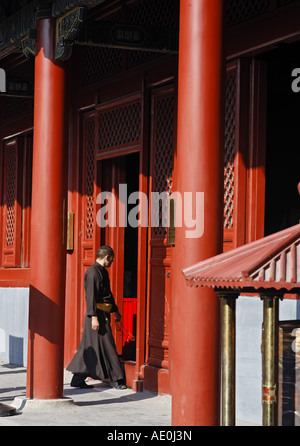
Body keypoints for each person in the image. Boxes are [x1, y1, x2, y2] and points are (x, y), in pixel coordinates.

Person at [67, 246, 126, 390]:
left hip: (102, 314)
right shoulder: (92, 273)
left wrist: (115, 311)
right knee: (109, 346)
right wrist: (93, 317)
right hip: (96, 316)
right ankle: (116, 379)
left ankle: (77, 379)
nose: (112, 262)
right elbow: (91, 297)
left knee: (89, 348)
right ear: (106, 257)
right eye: (111, 259)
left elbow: (108, 294)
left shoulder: (103, 272)